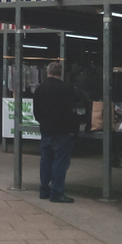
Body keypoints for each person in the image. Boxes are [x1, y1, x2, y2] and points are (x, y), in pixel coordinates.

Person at [33, 60, 81, 203]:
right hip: (62, 131)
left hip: (46, 130)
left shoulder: (40, 89)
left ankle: (43, 190)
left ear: (47, 72)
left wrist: (43, 122)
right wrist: (73, 127)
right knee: (60, 162)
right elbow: (69, 112)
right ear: (61, 74)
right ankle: (57, 192)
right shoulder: (66, 89)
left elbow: (36, 112)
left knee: (46, 160)